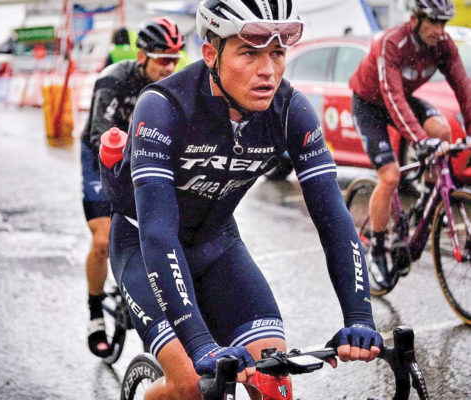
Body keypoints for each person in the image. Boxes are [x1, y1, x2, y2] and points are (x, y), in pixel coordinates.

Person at [101, 0, 383, 397]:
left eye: (277, 53)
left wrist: (360, 317)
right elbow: (158, 234)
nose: (267, 70)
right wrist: (200, 343)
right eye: (249, 53)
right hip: (144, 248)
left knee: (274, 380)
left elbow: (334, 220)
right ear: (210, 54)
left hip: (217, 243)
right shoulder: (163, 106)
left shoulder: (291, 110)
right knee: (193, 385)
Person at [80, 16, 185, 358]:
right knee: (102, 240)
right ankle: (95, 312)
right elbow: (99, 136)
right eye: (163, 60)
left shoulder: (174, 84)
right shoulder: (113, 79)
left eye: (174, 59)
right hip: (101, 156)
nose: (170, 67)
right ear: (142, 56)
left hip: (143, 157)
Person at [349, 0, 471, 289]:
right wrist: (420, 140)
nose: (439, 30)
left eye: (443, 23)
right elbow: (391, 97)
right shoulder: (392, 43)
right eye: (434, 22)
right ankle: (377, 249)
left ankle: (428, 197)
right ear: (416, 19)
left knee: (442, 131)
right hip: (370, 104)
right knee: (391, 176)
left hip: (401, 99)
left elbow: (463, 86)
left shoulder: (443, 45)